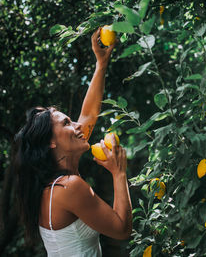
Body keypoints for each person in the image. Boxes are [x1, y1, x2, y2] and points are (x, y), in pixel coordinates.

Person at [13, 28, 132, 257]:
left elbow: (88, 115)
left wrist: (101, 64)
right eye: (67, 123)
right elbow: (122, 229)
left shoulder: (53, 186)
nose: (78, 126)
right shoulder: (68, 186)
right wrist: (119, 173)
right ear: (51, 143)